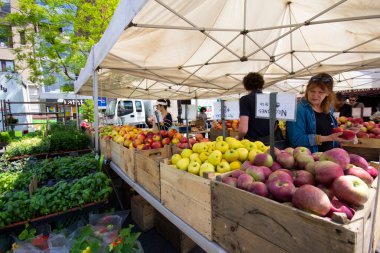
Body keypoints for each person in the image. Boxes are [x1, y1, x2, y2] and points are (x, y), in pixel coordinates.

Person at [287, 73, 349, 152]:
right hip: (310, 160)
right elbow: (296, 139)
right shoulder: (298, 110)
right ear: (307, 90)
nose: (315, 95)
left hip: (330, 157)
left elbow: (331, 131)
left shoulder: (329, 108)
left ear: (328, 93)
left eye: (320, 92)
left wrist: (346, 130)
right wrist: (327, 138)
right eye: (312, 91)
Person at [236, 72, 270, 142]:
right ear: (261, 84)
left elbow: (243, 130)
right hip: (269, 141)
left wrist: (238, 137)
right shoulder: (269, 99)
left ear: (246, 86)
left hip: (252, 143)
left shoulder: (245, 99)